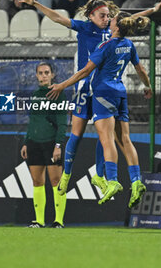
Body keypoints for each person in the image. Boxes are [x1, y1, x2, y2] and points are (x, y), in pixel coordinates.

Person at [17, 0, 161, 205]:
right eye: (102, 15)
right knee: (77, 134)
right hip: (83, 85)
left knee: (105, 135)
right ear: (90, 16)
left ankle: (103, 178)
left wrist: (153, 11)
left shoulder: (112, 33)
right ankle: (66, 176)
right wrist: (35, 4)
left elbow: (128, 20)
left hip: (100, 88)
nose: (107, 19)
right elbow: (57, 17)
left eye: (109, 16)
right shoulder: (85, 27)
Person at [48, 13, 152, 205]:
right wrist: (147, 86)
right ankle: (136, 181)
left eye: (112, 20)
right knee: (125, 140)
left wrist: (62, 85)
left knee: (107, 140)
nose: (109, 21)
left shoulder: (105, 46)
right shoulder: (129, 44)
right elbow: (141, 70)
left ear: (116, 27)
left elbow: (85, 71)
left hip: (103, 93)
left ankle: (112, 180)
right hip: (120, 93)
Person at [21, 62, 67, 228]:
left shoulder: (58, 94)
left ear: (52, 75)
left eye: (46, 72)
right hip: (34, 143)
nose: (43, 75)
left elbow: (62, 123)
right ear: (36, 75)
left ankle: (58, 221)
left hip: (50, 143)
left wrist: (58, 145)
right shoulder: (34, 95)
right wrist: (26, 142)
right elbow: (33, 120)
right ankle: (39, 221)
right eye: (40, 73)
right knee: (37, 181)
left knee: (56, 181)